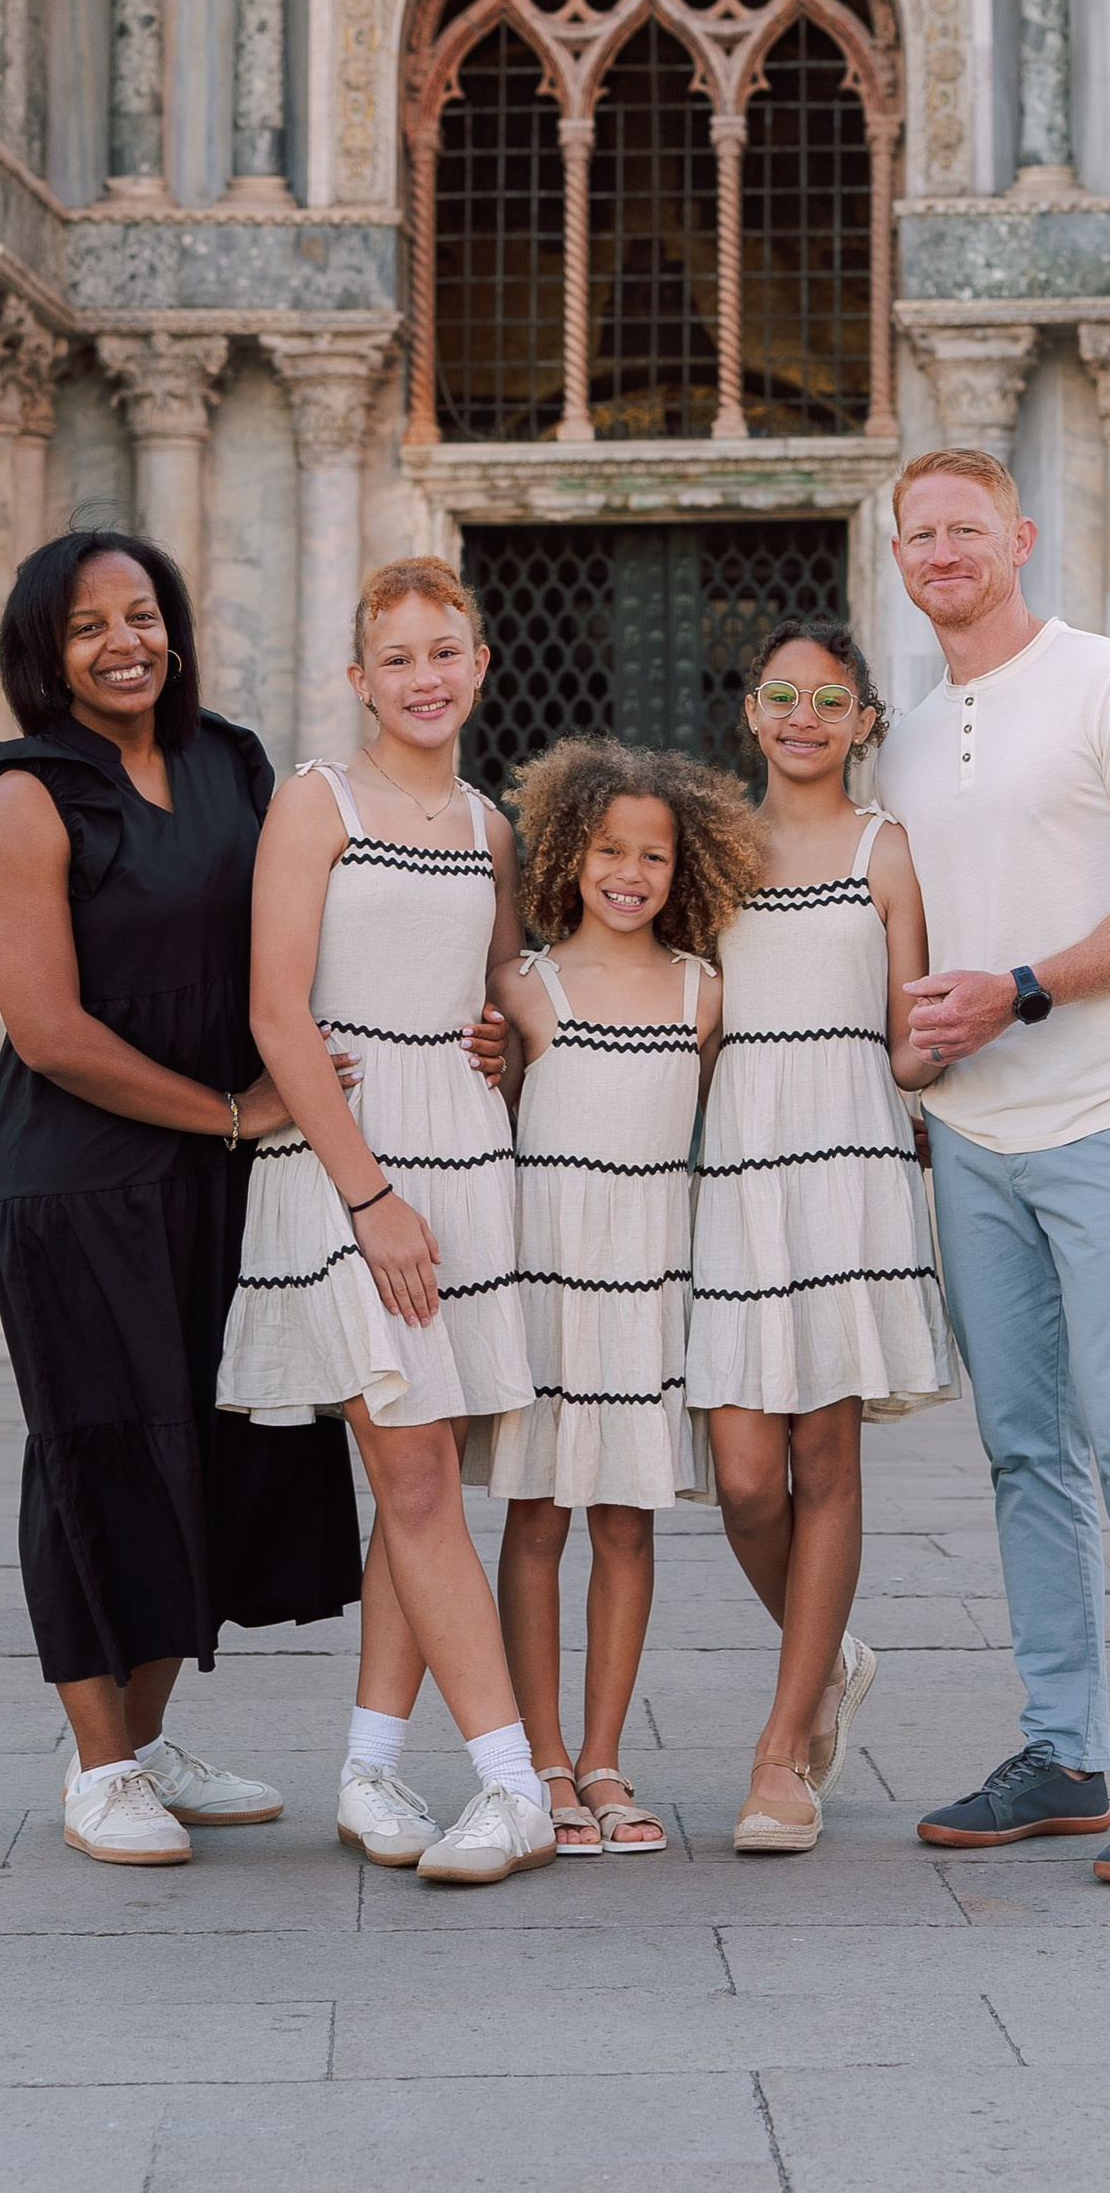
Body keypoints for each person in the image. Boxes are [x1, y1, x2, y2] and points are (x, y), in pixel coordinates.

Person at [876, 449, 1110, 1887]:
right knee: (1025, 1451)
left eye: (969, 526)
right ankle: (1062, 1754)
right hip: (973, 1137)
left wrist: (1024, 988)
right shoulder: (905, 738)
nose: (945, 550)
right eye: (921, 533)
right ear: (898, 554)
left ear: (1019, 537)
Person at [0, 532, 362, 1869]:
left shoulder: (231, 764)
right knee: (96, 1441)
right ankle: (96, 1766)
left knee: (210, 1440)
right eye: (89, 628)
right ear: (45, 654)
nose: (125, 642)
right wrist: (238, 1113)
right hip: (77, 1177)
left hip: (224, 1162)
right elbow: (49, 1030)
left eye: (142, 615)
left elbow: (302, 940)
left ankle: (143, 1739)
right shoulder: (30, 794)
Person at [219, 561, 557, 1888]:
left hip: (466, 1157)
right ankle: (513, 1786)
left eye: (445, 652)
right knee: (415, 1481)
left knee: (413, 1478)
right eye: (397, 657)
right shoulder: (316, 803)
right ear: (360, 679)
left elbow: (499, 993)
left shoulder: (489, 827)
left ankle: (368, 1770)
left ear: (480, 664)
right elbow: (273, 1011)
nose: (425, 677)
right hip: (350, 1164)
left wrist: (508, 1044)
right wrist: (369, 1198)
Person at [686, 621, 953, 1857]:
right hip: (737, 1164)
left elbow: (908, 1035)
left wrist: (970, 1037)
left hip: (847, 1161)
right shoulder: (709, 845)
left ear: (863, 722)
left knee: (824, 1457)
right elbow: (672, 1010)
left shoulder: (883, 848)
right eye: (781, 694)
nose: (803, 715)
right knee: (744, 1476)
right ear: (750, 711)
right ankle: (829, 1652)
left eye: (829, 698)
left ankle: (780, 1749)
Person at [485, 740, 759, 1859]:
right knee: (537, 1517)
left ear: (681, 865)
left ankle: (603, 1756)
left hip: (647, 1283)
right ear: (569, 851)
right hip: (551, 1281)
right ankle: (541, 1756)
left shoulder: (705, 992)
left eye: (653, 853)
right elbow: (493, 1126)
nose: (631, 871)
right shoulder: (525, 989)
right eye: (609, 848)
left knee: (628, 1523)